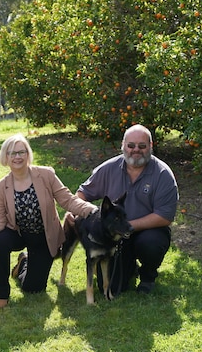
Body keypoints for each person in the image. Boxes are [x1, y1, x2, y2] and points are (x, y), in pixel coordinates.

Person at [0, 134, 97, 308]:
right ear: (5, 157)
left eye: (21, 152)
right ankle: (1, 296)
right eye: (12, 153)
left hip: (43, 236)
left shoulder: (46, 175)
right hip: (18, 233)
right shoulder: (1, 187)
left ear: (28, 154)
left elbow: (67, 200)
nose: (17, 157)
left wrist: (90, 209)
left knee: (34, 288)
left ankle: (24, 263)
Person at [75, 124, 178, 295]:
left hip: (148, 232)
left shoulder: (163, 174)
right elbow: (81, 194)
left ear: (150, 147)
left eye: (142, 146)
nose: (135, 150)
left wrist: (129, 226)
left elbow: (164, 216)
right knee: (111, 289)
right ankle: (129, 267)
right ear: (123, 146)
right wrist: (93, 217)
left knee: (151, 244)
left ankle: (148, 276)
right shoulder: (108, 168)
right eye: (131, 145)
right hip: (115, 237)